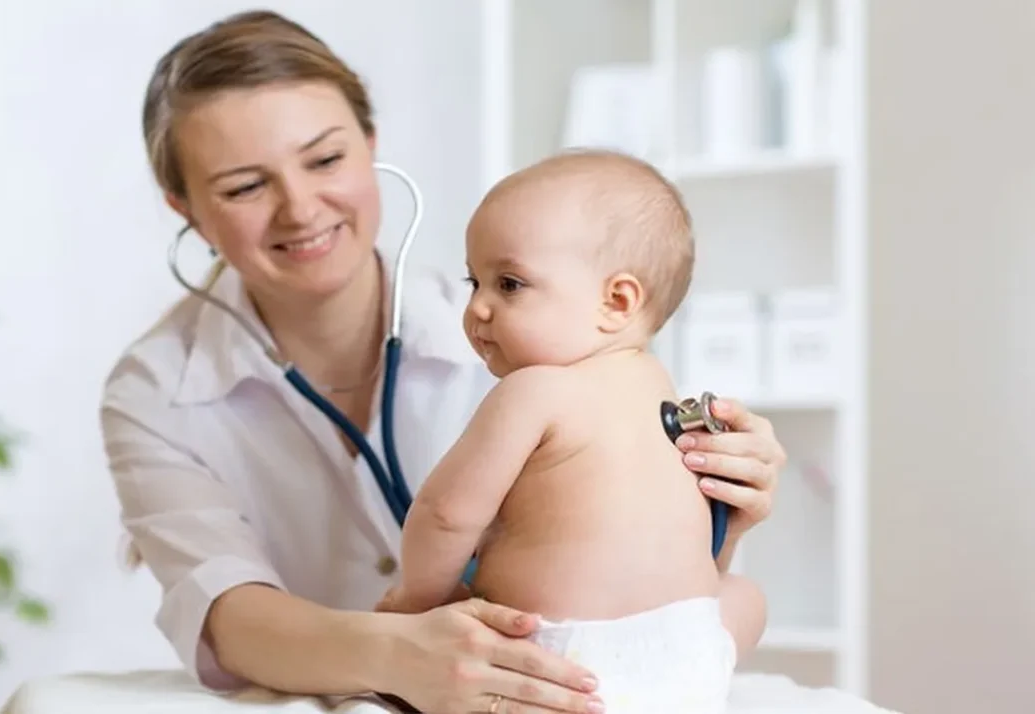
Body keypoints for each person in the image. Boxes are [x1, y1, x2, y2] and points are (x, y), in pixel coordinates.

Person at [100, 9, 787, 714]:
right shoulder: (154, 391)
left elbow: (649, 573)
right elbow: (226, 611)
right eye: (246, 186)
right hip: (359, 686)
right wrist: (401, 651)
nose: (300, 208)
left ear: (370, 144)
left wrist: (722, 509)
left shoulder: (541, 328)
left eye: (326, 159)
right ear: (184, 207)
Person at [375, 149, 760, 712]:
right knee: (745, 597)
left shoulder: (532, 391)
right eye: (473, 280)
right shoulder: (663, 393)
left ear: (616, 301)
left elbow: (446, 514)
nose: (478, 307)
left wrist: (419, 602)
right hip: (691, 659)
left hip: (552, 662)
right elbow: (698, 545)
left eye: (508, 284)